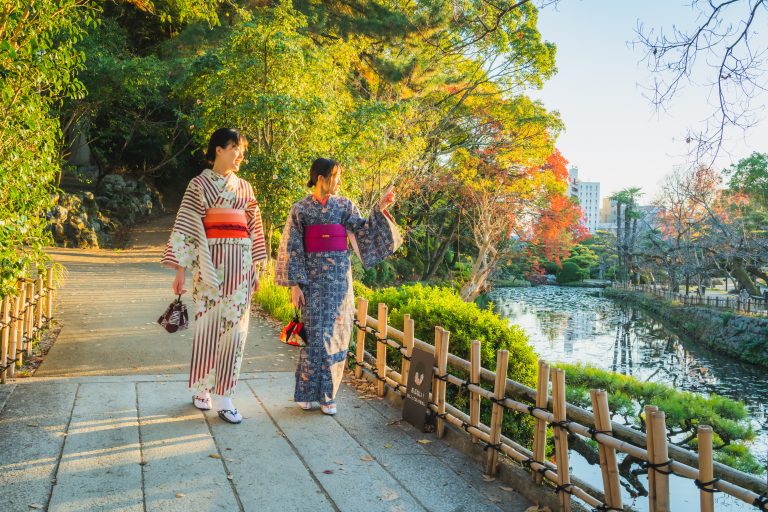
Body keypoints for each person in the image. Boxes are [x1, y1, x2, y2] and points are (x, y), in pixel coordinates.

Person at [275, 158, 401, 415]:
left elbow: (364, 230)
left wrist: (380, 208)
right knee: (312, 336)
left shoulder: (345, 205)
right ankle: (307, 391)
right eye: (336, 175)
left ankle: (328, 395)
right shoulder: (300, 209)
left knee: (336, 335)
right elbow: (293, 247)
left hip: (338, 279)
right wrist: (295, 285)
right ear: (321, 178)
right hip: (310, 279)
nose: (340, 181)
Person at [161, 128, 267, 424]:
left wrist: (255, 269)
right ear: (218, 149)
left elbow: (254, 228)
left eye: (242, 149)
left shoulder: (244, 188)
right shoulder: (198, 185)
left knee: (237, 328)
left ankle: (225, 395)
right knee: (207, 325)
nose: (240, 155)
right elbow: (186, 225)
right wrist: (181, 270)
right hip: (211, 262)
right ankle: (202, 388)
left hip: (240, 263)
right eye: (235, 148)